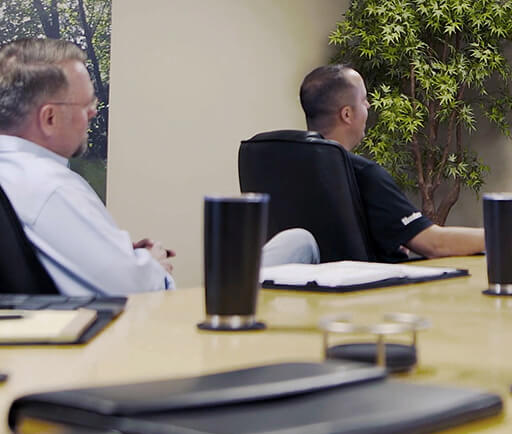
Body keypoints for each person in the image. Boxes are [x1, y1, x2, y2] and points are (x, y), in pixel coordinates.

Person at [0, 37, 317, 296]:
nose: (93, 114)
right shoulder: (50, 186)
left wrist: (123, 252)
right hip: (152, 329)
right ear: (49, 118)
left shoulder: (16, 175)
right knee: (299, 243)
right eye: (86, 105)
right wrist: (150, 262)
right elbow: (136, 288)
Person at [299, 65, 485, 259]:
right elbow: (434, 244)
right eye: (364, 100)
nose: (369, 106)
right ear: (347, 114)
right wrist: (504, 232)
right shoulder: (363, 174)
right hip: (363, 287)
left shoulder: (278, 169)